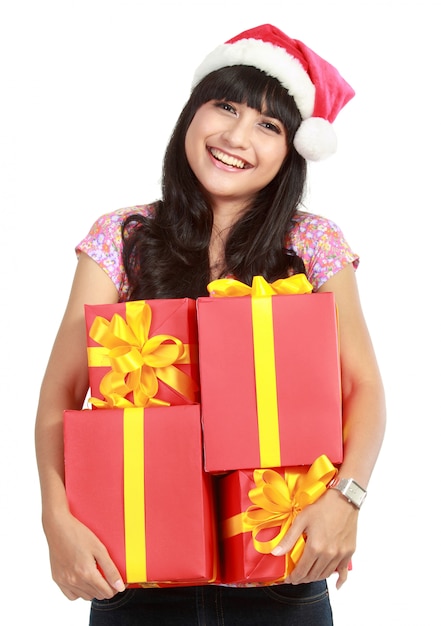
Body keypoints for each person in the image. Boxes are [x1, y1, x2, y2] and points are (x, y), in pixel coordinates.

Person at [35, 23, 386, 625]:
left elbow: (364, 387)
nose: (236, 136)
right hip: (132, 569)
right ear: (191, 114)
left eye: (269, 125)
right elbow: (60, 397)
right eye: (225, 106)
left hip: (280, 567)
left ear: (292, 150)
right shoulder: (125, 238)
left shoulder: (312, 243)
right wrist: (55, 521)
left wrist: (345, 501)